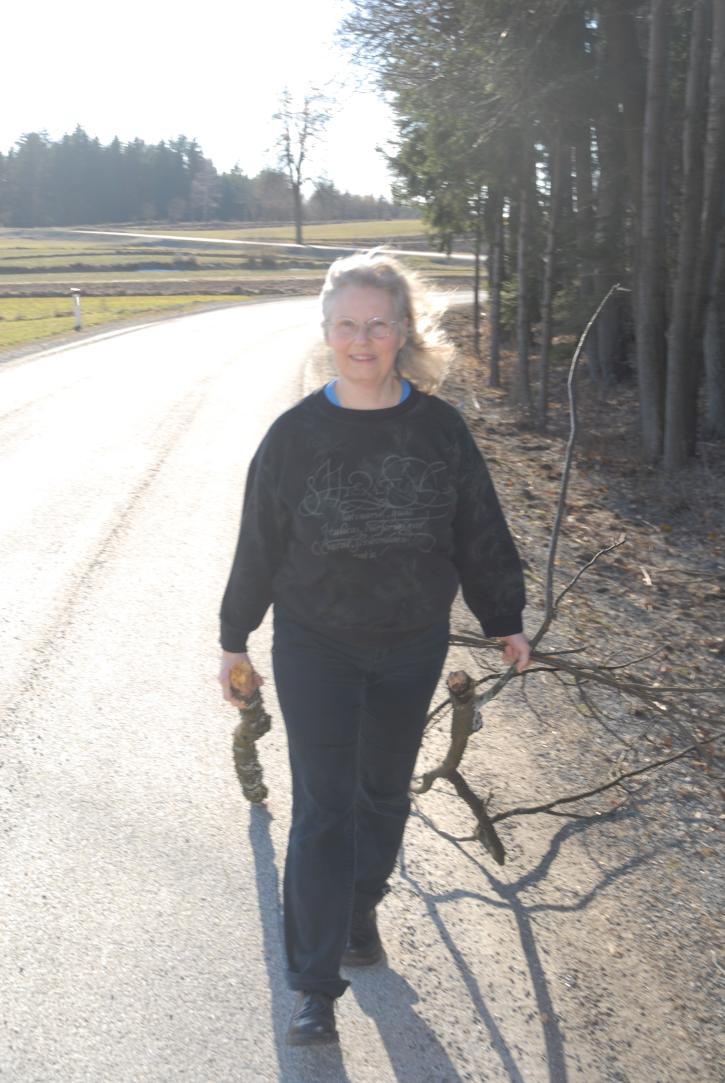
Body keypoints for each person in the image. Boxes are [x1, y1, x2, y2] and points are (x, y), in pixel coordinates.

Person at [218, 250, 529, 1047]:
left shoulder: (438, 429)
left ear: (402, 331)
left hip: (410, 643)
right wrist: (233, 638)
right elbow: (258, 543)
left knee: (383, 794)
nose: (361, 340)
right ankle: (313, 985)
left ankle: (358, 910)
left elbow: (477, 527)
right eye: (347, 324)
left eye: (377, 324)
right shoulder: (294, 435)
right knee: (323, 806)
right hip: (315, 644)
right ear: (327, 330)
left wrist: (503, 616)